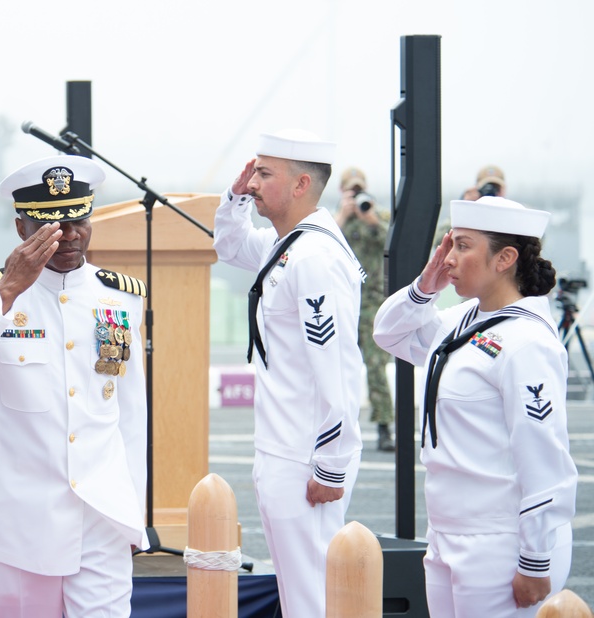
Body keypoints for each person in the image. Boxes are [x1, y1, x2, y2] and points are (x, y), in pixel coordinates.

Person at [0, 155, 149, 618]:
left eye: (78, 221)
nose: (68, 236)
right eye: (50, 224)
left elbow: (130, 417)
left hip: (102, 519)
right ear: (21, 228)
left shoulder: (120, 296)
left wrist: (134, 518)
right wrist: (7, 292)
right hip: (22, 523)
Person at [374, 196, 577, 616]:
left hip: (500, 542)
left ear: (505, 258)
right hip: (448, 533)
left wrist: (535, 558)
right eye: (449, 244)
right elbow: (388, 333)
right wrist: (424, 287)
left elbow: (544, 457)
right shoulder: (463, 321)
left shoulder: (528, 343)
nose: (448, 257)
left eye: (462, 246)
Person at [213, 129, 364, 617]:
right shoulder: (289, 246)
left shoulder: (314, 258)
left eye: (263, 174)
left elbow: (337, 368)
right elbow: (231, 246)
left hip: (305, 459)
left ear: (301, 185)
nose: (253, 182)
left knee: (314, 597)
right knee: (298, 595)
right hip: (281, 449)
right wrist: (235, 197)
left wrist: (331, 463)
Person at [334, 167, 396, 451]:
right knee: (335, 368)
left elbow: (393, 245)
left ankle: (384, 426)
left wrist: (370, 220)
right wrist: (344, 216)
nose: (357, 196)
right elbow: (318, 244)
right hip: (341, 302)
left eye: (360, 189)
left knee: (375, 366)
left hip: (371, 303)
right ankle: (335, 427)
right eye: (352, 191)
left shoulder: (377, 216)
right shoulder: (333, 221)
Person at [434, 164, 506, 246]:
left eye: (496, 188)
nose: (491, 193)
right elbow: (439, 242)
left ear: (504, 190)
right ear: (477, 189)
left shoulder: (511, 216)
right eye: (486, 188)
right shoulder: (469, 217)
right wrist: (464, 208)